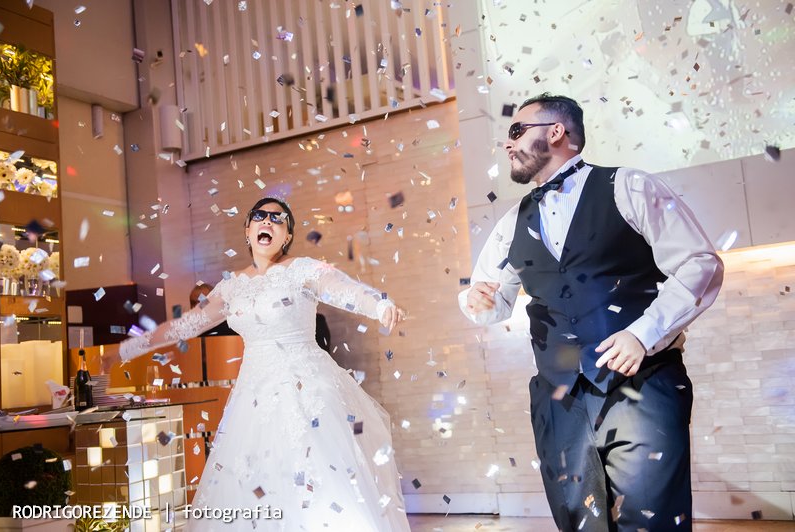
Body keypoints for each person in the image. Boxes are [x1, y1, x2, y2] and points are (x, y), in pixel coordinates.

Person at [458, 93, 723, 531]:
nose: (508, 144)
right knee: (580, 520)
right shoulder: (511, 222)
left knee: (651, 517)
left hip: (642, 384)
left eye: (516, 131)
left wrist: (643, 333)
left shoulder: (630, 186)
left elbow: (701, 264)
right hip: (557, 396)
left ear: (556, 132)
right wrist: (478, 302)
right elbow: (491, 299)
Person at [106, 197, 410, 531]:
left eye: (278, 219)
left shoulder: (304, 269)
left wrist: (381, 306)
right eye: (260, 216)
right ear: (248, 231)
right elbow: (184, 325)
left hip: (307, 390)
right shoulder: (231, 286)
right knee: (255, 484)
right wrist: (127, 349)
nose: (268, 221)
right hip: (253, 396)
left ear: (286, 235)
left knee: (317, 482)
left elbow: (346, 290)